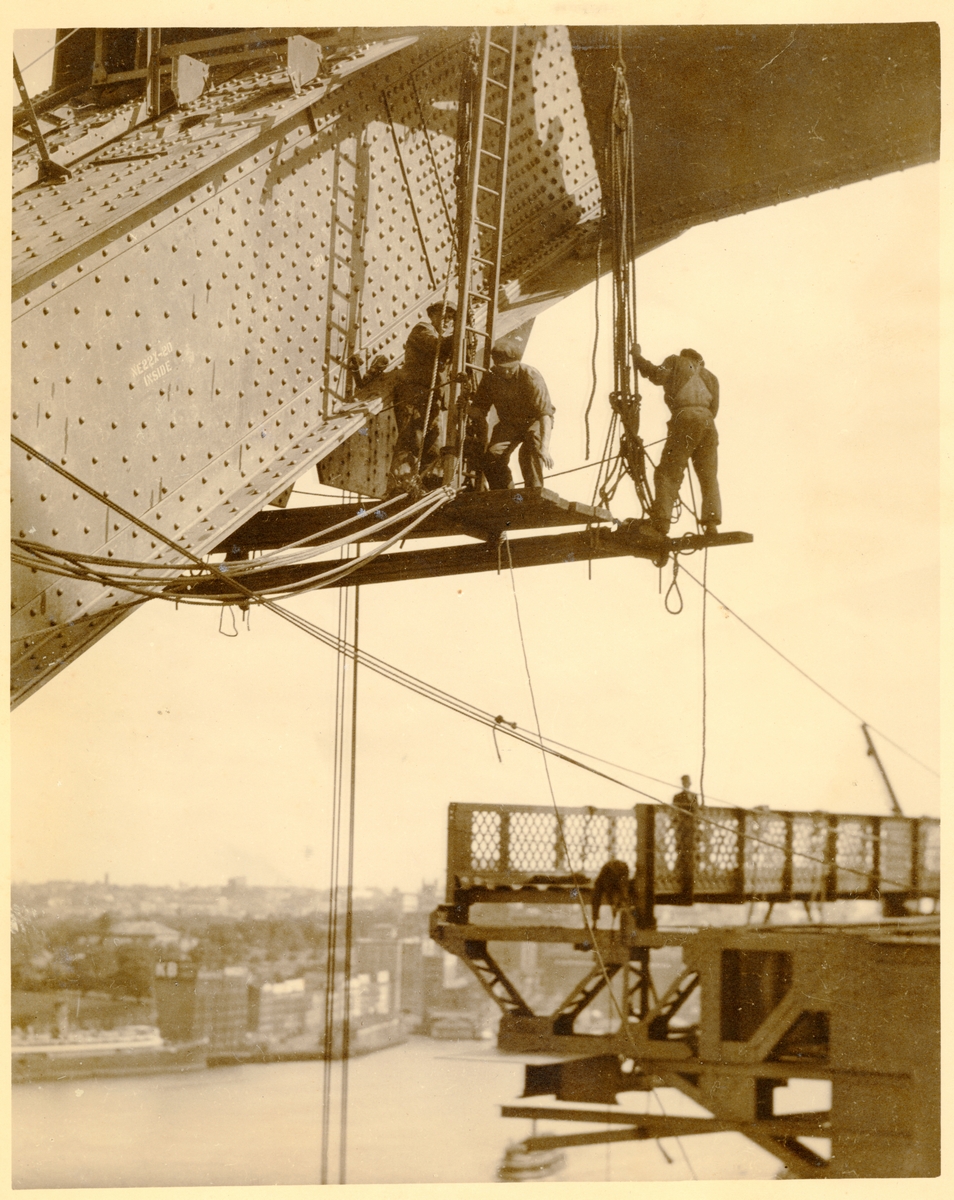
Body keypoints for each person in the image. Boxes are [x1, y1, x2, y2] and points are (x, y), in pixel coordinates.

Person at [632, 344, 721, 536]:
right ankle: (711, 524)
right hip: (709, 424)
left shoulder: (675, 361)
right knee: (708, 476)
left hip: (685, 418)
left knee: (668, 472)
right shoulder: (711, 377)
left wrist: (637, 357)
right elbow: (714, 409)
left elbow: (657, 375)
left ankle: (661, 524)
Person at [386, 301, 456, 494]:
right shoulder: (422, 330)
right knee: (412, 441)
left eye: (451, 318)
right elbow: (437, 347)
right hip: (415, 396)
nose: (448, 321)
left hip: (432, 400)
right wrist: (460, 334)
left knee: (433, 447)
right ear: (432, 316)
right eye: (444, 316)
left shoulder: (445, 338)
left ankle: (427, 489)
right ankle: (400, 487)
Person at [470, 339, 555, 490]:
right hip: (509, 424)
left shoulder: (531, 376)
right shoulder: (490, 378)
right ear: (496, 365)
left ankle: (533, 492)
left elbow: (544, 416)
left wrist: (544, 448)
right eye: (502, 368)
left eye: (511, 368)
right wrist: (466, 407)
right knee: (492, 457)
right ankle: (506, 494)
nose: (507, 372)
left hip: (533, 421)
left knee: (530, 451)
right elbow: (479, 410)